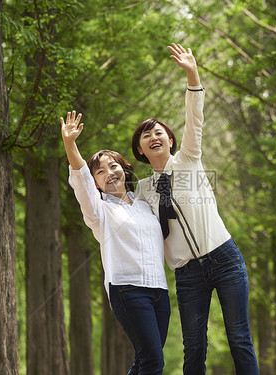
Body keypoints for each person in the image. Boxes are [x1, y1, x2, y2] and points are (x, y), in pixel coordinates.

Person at [131, 43, 259, 375]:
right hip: (187, 275)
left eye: (158, 132)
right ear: (141, 151)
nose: (153, 136)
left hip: (224, 259)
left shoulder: (188, 159)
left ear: (171, 140)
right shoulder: (143, 191)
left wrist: (192, 74)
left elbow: (195, 118)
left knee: (239, 339)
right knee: (194, 349)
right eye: (146, 136)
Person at [61, 110, 170, 375]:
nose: (109, 173)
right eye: (100, 172)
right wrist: (70, 144)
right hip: (128, 290)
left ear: (124, 169)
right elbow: (81, 181)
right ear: (96, 182)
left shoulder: (145, 204)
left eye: (113, 166)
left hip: (159, 291)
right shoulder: (98, 211)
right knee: (154, 362)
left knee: (144, 361)